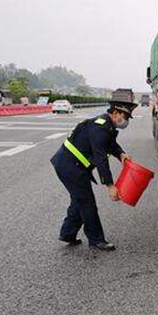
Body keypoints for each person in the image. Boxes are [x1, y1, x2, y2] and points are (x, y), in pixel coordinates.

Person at [51, 100, 136, 251]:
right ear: (115, 113)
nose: (126, 121)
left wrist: (121, 154)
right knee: (87, 202)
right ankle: (96, 239)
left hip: (71, 164)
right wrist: (110, 186)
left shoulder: (106, 125)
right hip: (70, 166)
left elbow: (110, 144)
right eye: (125, 117)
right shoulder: (100, 128)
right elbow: (101, 158)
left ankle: (67, 233)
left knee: (79, 199)